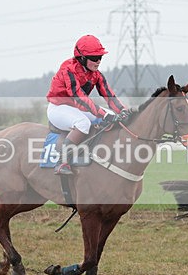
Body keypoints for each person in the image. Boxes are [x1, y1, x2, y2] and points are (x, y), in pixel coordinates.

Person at [46, 34, 130, 175]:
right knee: (83, 123)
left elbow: (109, 96)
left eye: (100, 58)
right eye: (94, 58)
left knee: (112, 116)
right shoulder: (68, 69)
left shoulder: (96, 74)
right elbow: (79, 98)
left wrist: (123, 110)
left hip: (76, 108)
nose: (98, 61)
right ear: (82, 58)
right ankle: (62, 162)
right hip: (58, 108)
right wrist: (104, 115)